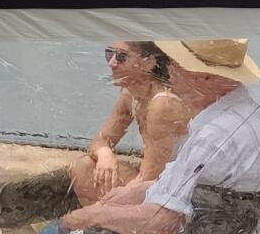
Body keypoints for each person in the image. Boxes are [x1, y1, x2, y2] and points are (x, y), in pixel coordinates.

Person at [56, 36, 260, 234]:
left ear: (204, 76)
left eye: (176, 65)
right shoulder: (245, 115)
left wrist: (95, 216)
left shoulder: (213, 135)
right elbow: (183, 188)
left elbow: (162, 220)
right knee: (85, 173)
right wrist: (134, 192)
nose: (169, 71)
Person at [69, 40, 191, 206]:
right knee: (83, 166)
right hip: (154, 181)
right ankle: (103, 221)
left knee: (94, 205)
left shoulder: (163, 104)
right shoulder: (131, 94)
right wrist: (105, 154)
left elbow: (150, 177)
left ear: (149, 63)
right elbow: (99, 141)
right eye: (109, 54)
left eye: (121, 57)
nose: (112, 63)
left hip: (175, 188)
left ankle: (104, 220)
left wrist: (98, 210)